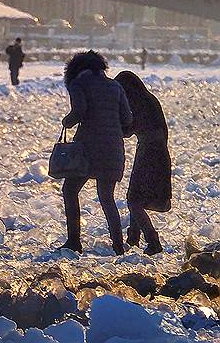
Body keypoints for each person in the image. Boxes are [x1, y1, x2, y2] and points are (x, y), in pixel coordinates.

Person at [58, 51, 133, 255]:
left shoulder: (77, 84)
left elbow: (79, 110)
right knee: (107, 198)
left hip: (87, 150)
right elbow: (127, 119)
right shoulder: (115, 86)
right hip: (112, 149)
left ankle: (74, 241)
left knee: (70, 191)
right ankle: (118, 246)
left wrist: (68, 121)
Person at [115, 71, 171, 256]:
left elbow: (128, 130)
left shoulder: (137, 103)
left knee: (133, 200)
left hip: (149, 152)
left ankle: (152, 240)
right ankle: (133, 238)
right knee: (137, 196)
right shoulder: (150, 99)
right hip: (159, 152)